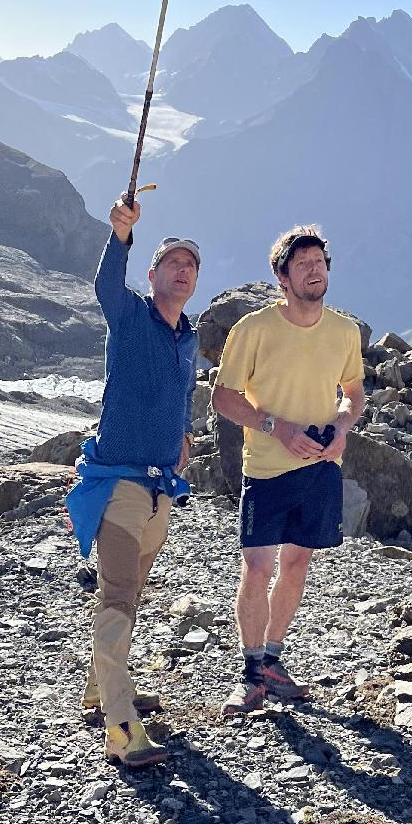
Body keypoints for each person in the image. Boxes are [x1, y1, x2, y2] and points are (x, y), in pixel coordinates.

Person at [65, 196, 200, 768]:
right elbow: (104, 286)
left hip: (160, 489)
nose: (182, 269)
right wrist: (120, 235)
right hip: (119, 482)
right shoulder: (130, 315)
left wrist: (184, 447)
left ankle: (100, 690)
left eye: (191, 264)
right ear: (152, 273)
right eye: (171, 260)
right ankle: (121, 728)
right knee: (118, 596)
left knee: (132, 594)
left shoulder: (187, 338)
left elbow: (180, 400)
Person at [211, 225, 364, 714]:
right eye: (303, 264)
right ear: (282, 276)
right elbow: (223, 398)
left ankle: (273, 660)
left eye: (319, 262)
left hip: (321, 466)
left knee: (298, 563)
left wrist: (342, 426)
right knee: (257, 569)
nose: (314, 269)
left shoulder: (344, 331)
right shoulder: (252, 330)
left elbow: (354, 393)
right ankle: (249, 671)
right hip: (266, 467)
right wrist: (275, 427)